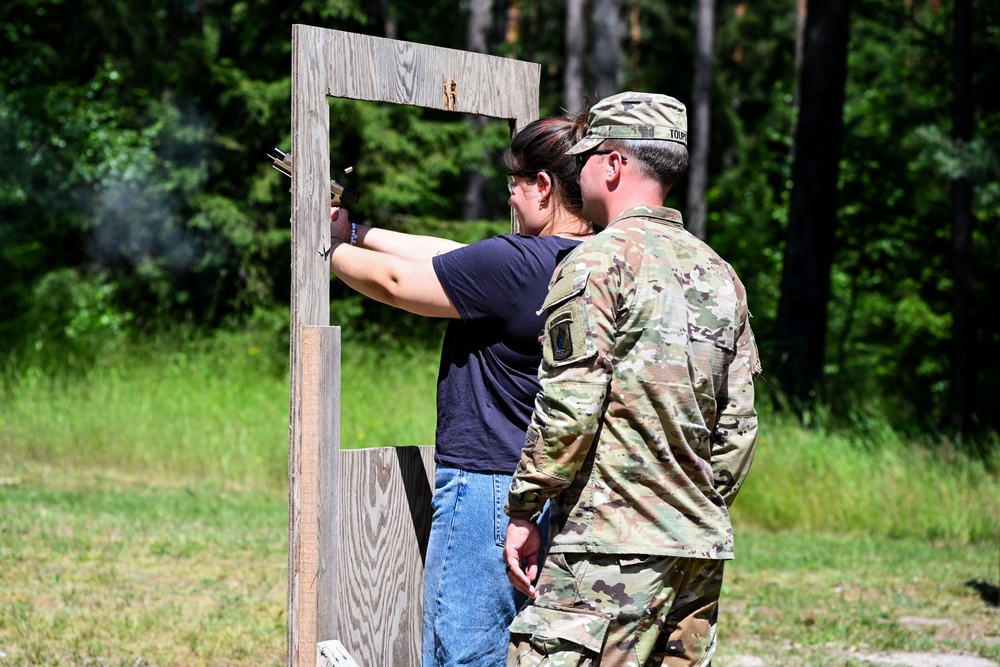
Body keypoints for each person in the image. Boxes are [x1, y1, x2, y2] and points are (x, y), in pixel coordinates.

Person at [503, 92, 762, 666]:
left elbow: (570, 408)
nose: (580, 172)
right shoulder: (720, 275)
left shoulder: (597, 262)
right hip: (695, 547)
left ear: (614, 164)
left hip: (609, 546)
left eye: (588, 158)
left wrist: (524, 507)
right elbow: (738, 426)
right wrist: (690, 503)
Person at [325, 115, 593, 667]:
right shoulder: (590, 259)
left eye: (516, 185)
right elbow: (454, 254)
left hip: (489, 490)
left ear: (543, 186)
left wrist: (324, 250)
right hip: (557, 484)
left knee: (463, 654)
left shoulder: (516, 264)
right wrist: (355, 234)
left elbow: (399, 284)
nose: (512, 200)